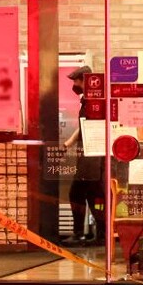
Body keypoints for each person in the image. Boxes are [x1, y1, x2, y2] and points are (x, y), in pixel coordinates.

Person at [61, 65, 105, 247]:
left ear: (84, 81)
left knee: (78, 193)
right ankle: (101, 234)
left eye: (76, 81)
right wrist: (68, 143)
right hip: (89, 154)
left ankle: (81, 233)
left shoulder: (96, 101)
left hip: (92, 155)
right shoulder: (87, 101)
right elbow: (83, 126)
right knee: (93, 196)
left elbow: (92, 127)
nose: (74, 84)